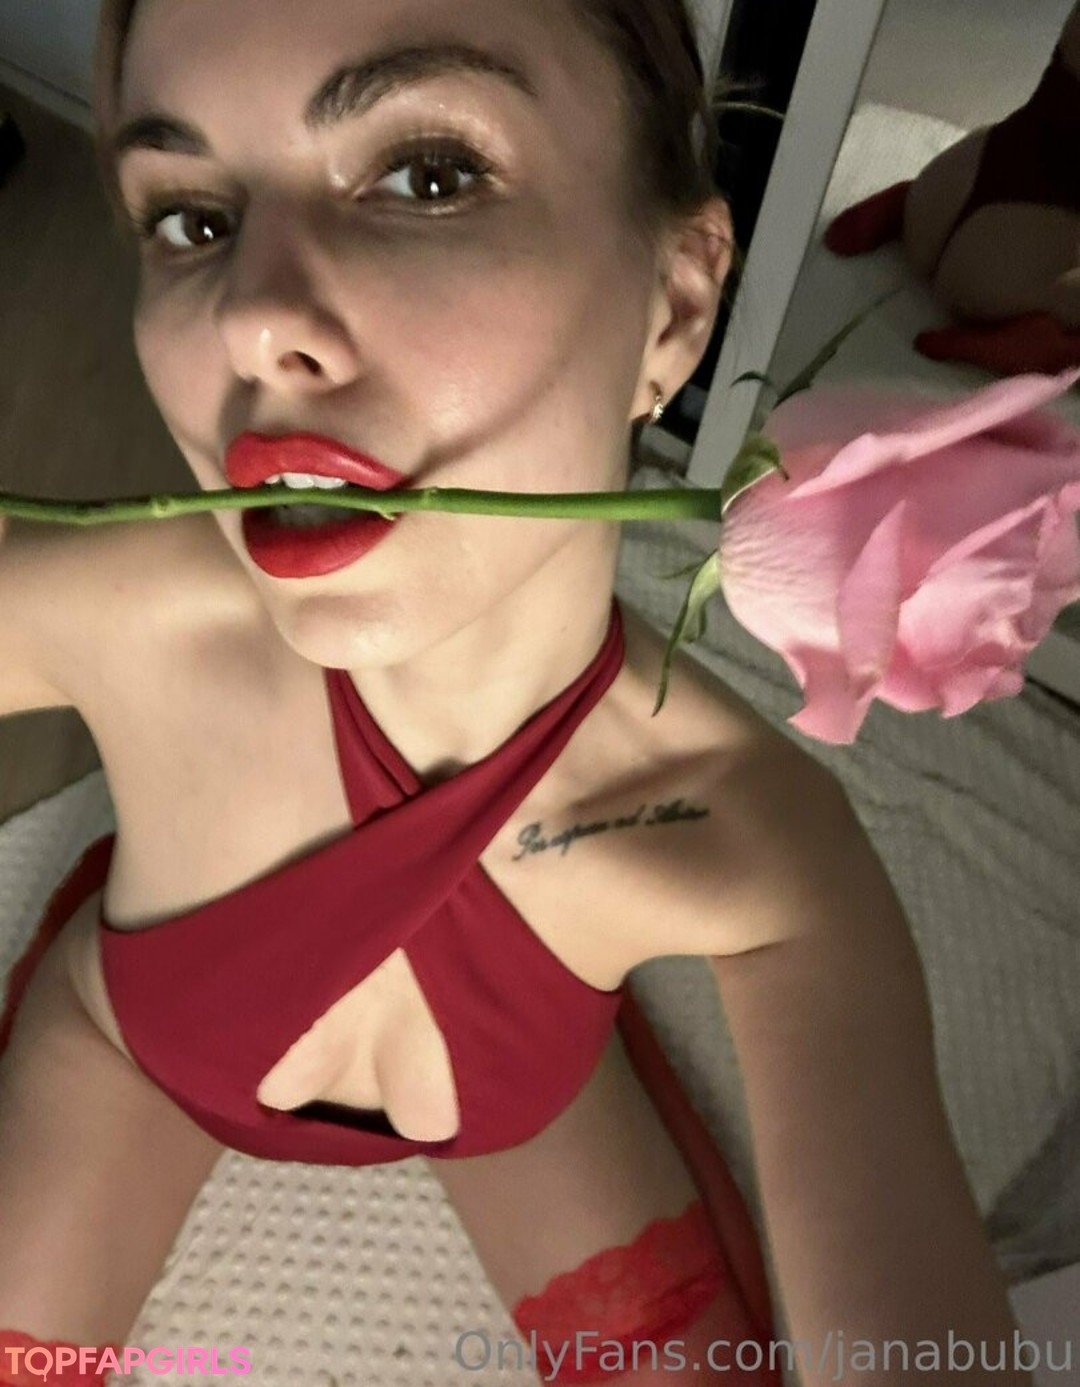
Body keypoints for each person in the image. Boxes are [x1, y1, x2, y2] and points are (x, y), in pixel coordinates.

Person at [0, 1, 1033, 1384]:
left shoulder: (743, 839)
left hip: (510, 1117)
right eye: (191, 219)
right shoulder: (133, 616)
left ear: (675, 305)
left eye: (428, 176)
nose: (250, 319)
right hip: (134, 1054)